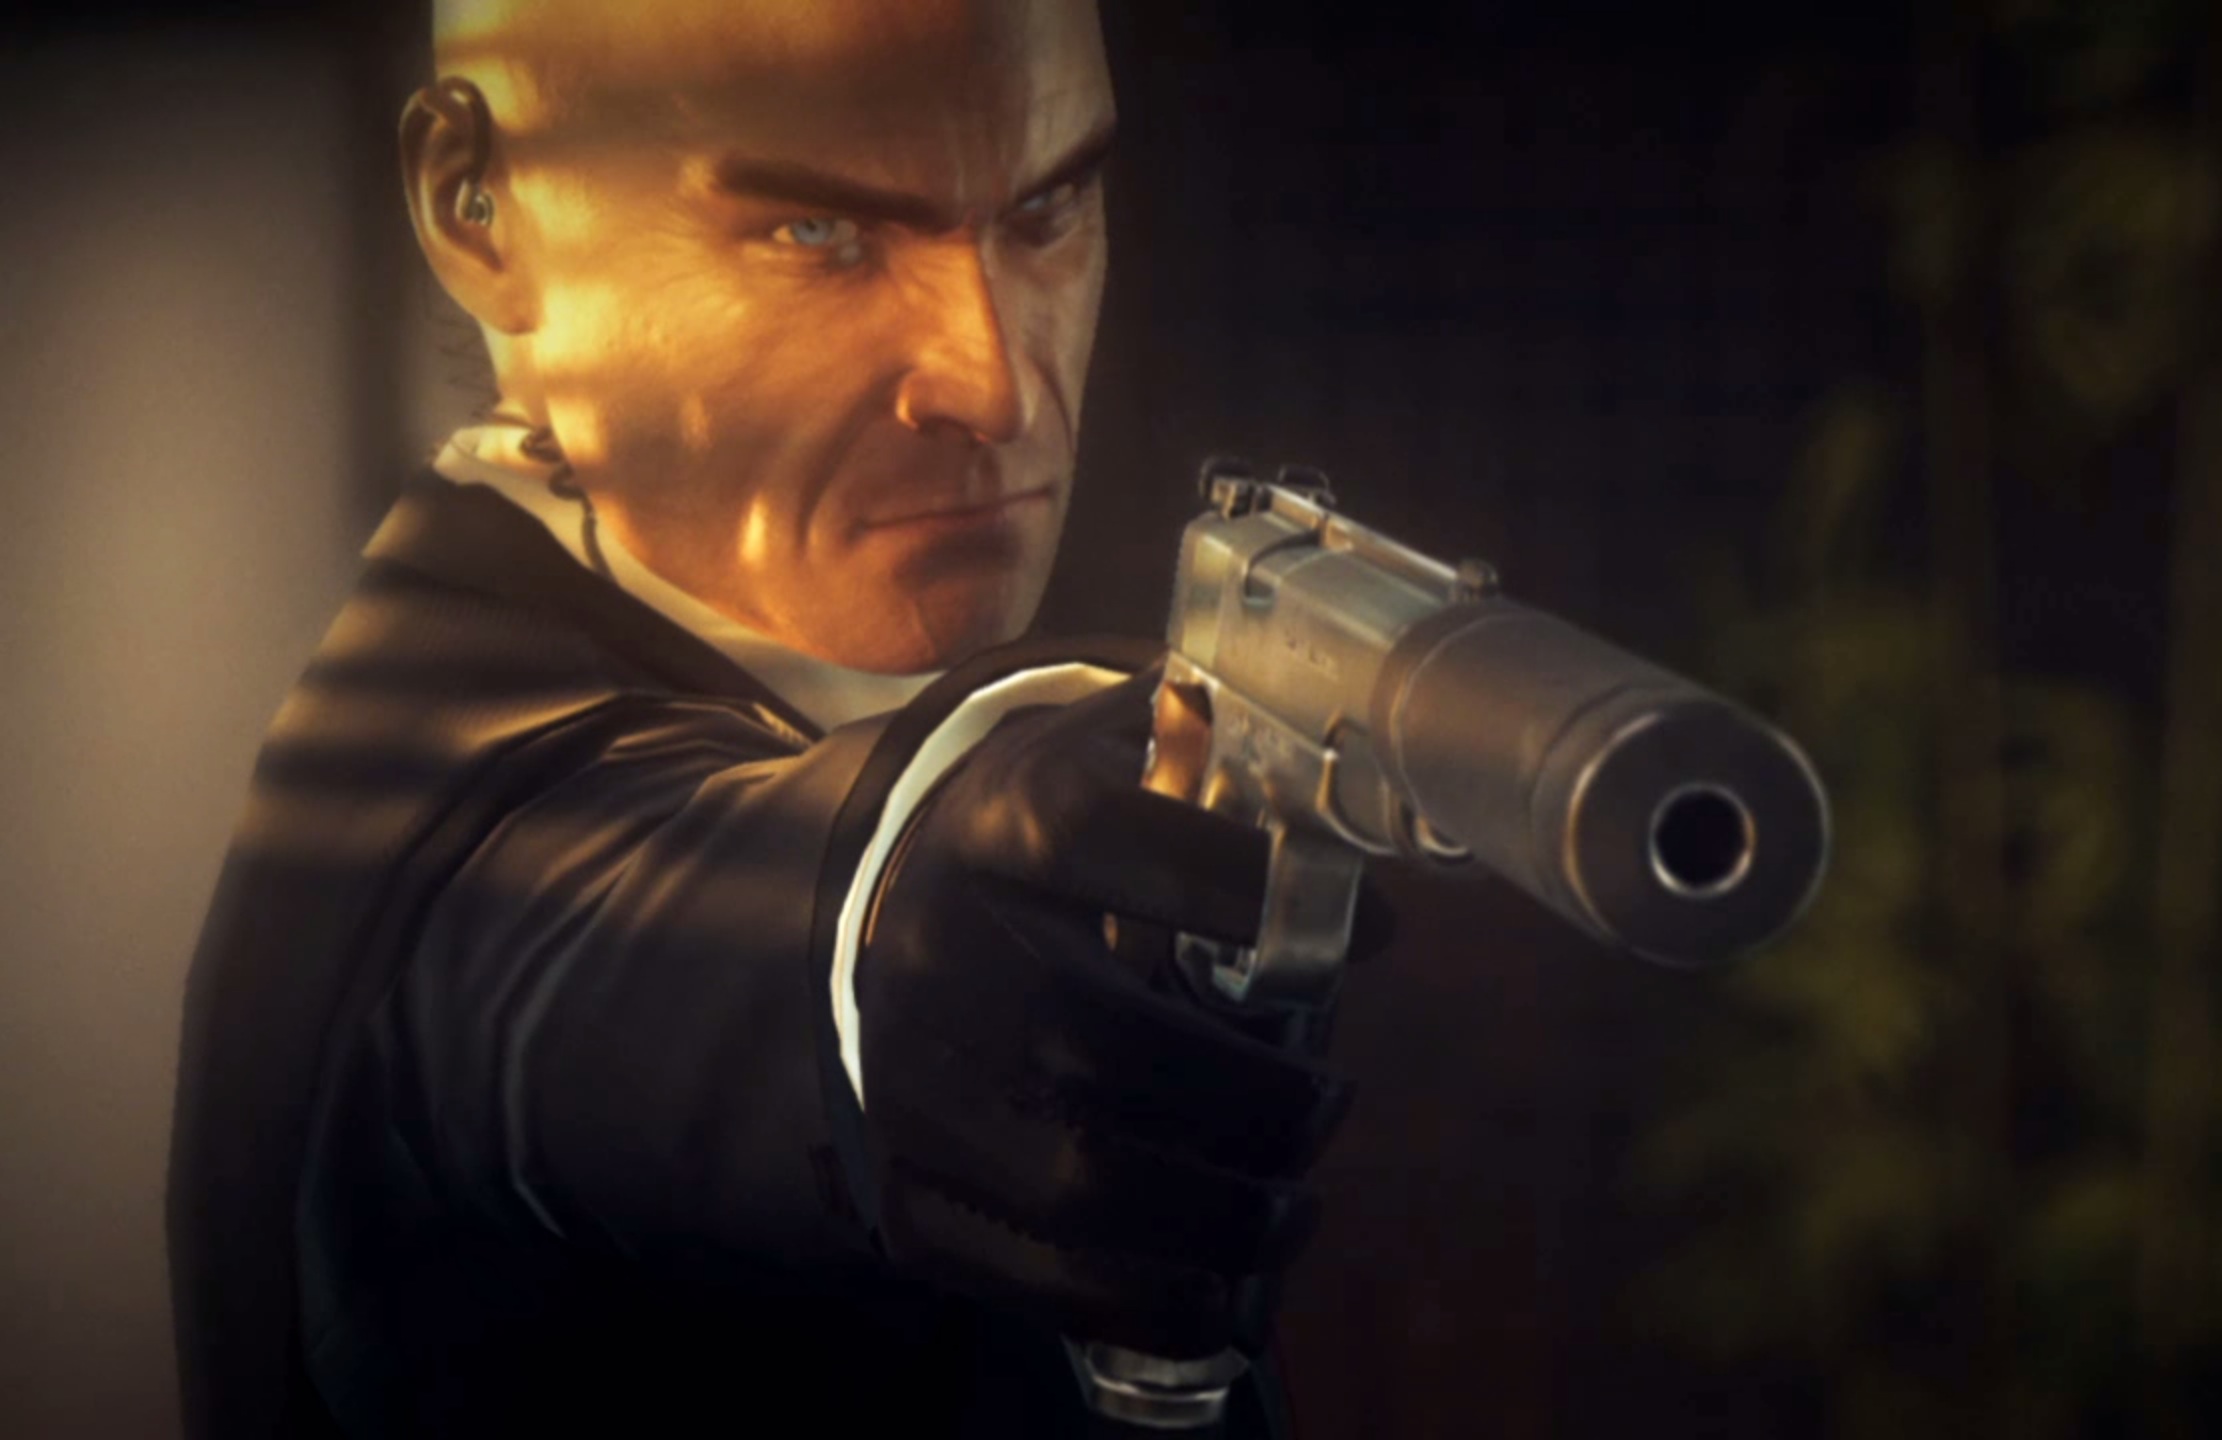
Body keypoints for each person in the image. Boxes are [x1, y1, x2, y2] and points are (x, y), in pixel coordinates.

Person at [165, 2, 1360, 1434]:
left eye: (1047, 210)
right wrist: (906, 907)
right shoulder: (455, 857)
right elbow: (658, 951)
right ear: (481, 211)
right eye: (817, 233)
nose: (993, 384)